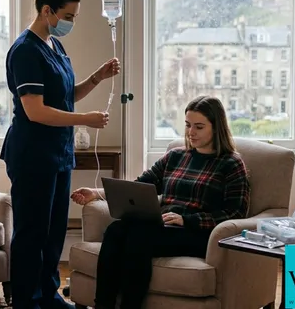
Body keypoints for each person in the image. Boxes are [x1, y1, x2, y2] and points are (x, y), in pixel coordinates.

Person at [0, 0, 121, 309]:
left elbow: (66, 96)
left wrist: (97, 77)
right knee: (31, 233)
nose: (71, 22)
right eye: (67, 15)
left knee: (53, 233)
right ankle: (26, 300)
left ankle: (48, 294)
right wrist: (86, 120)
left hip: (58, 153)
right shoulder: (25, 51)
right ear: (47, 11)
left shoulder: (55, 45)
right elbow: (36, 111)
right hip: (32, 155)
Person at [71, 95, 251, 309]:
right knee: (116, 230)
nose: (191, 132)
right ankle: (103, 305)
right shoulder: (176, 156)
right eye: (187, 125)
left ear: (216, 127)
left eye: (199, 127)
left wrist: (187, 220)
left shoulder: (231, 163)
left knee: (139, 237)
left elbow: (236, 212)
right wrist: (96, 193)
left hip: (198, 233)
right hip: (162, 226)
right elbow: (137, 187)